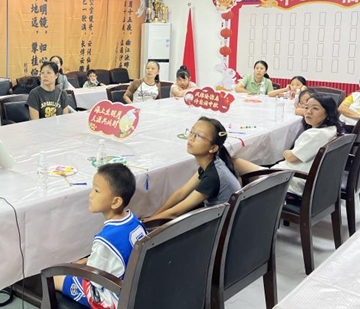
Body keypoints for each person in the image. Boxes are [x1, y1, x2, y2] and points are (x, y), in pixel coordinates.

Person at [54, 163, 146, 308]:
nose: (90, 195)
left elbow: (93, 279)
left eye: (96, 191)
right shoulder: (134, 220)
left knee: (54, 277)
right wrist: (86, 260)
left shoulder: (105, 240)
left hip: (113, 299)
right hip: (136, 289)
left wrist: (71, 269)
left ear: (115, 201)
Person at [232, 93, 343, 197]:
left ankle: (235, 203)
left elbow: (291, 158)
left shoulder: (316, 135)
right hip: (296, 175)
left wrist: (286, 151)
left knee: (232, 161)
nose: (308, 112)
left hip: (289, 179)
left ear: (328, 113)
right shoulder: (331, 130)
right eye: (306, 107)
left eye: (315, 108)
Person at [144, 117, 240, 223]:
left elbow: (174, 212)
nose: (191, 138)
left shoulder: (213, 176)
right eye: (192, 132)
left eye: (199, 136)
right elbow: (181, 193)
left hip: (219, 224)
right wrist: (152, 217)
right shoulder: (210, 165)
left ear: (213, 148)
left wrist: (146, 223)